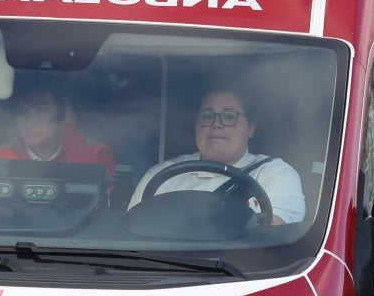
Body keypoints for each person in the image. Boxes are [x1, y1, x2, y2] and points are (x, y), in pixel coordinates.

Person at [128, 90, 305, 225]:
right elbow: (133, 231)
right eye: (207, 116)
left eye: (229, 116)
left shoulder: (275, 174)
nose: (216, 124)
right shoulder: (160, 175)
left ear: (251, 128)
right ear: (197, 125)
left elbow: (272, 236)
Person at [0, 82, 116, 172]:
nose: (29, 123)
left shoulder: (98, 154)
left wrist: (69, 132)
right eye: (22, 110)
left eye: (41, 110)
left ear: (64, 113)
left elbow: (99, 196)